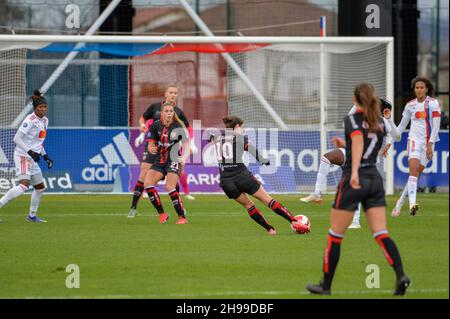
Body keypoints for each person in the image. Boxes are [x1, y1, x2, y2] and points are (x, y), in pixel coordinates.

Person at [306, 83, 410, 296]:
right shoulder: (380, 121)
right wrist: (387, 118)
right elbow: (394, 137)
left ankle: (325, 286)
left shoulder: (352, 119)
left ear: (355, 101)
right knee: (381, 233)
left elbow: (357, 144)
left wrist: (353, 173)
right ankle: (401, 275)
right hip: (374, 178)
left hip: (356, 177)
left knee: (335, 235)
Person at [301, 99, 397, 229]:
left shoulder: (382, 122)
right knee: (327, 158)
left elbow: (397, 136)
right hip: (349, 151)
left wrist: (389, 121)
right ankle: (317, 193)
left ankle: (356, 221)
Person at [209, 116, 310, 235]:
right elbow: (253, 151)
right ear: (237, 127)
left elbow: (211, 138)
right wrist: (264, 160)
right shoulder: (241, 138)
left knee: (248, 205)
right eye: (242, 127)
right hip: (243, 177)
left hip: (226, 182)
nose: (243, 130)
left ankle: (270, 229)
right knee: (268, 200)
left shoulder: (217, 139)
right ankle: (294, 221)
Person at [128, 84, 197, 218]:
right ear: (165, 94)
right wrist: (142, 128)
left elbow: (188, 128)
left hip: (170, 151)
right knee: (143, 175)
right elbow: (144, 118)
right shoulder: (155, 107)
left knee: (173, 181)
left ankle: (180, 210)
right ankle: (133, 207)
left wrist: (191, 144)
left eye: (175, 93)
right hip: (154, 148)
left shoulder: (178, 112)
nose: (173, 95)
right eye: (170, 92)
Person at [0, 90, 54, 223]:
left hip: (33, 157)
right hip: (23, 155)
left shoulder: (45, 121)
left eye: (44, 107)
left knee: (40, 188)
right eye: (40, 107)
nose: (43, 110)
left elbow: (38, 142)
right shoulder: (30, 120)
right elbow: (17, 138)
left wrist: (45, 156)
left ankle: (31, 216)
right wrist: (31, 152)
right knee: (24, 186)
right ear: (35, 108)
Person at [391, 76, 441, 217]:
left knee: (416, 174)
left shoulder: (433, 104)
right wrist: (390, 142)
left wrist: (430, 144)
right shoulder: (409, 105)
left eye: (422, 87)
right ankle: (413, 204)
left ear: (426, 89)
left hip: (429, 143)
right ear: (414, 89)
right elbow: (401, 127)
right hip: (413, 140)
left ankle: (399, 205)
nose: (419, 90)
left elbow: (436, 126)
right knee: (413, 171)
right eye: (417, 87)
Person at [143, 102, 191, 224]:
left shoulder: (178, 127)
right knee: (147, 184)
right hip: (159, 160)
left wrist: (183, 159)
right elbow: (150, 144)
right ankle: (162, 214)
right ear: (162, 113)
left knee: (169, 186)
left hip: (173, 160)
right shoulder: (155, 126)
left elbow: (187, 145)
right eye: (167, 111)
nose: (169, 113)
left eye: (171, 111)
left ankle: (181, 217)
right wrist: (151, 148)